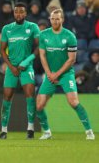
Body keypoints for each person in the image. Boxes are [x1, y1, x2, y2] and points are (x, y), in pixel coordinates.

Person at [36, 9, 95, 140]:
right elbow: (42, 55)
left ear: (62, 19)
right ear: (50, 19)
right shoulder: (44, 35)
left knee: (74, 102)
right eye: (53, 18)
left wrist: (57, 74)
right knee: (39, 105)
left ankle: (89, 131)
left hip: (66, 74)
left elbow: (71, 60)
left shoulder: (69, 36)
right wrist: (49, 74)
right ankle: (47, 132)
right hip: (50, 74)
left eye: (58, 19)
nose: (55, 21)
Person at [0, 2, 40, 140]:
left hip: (26, 67)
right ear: (13, 13)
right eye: (16, 12)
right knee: (7, 98)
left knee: (30, 95)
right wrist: (10, 67)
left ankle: (30, 129)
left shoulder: (32, 27)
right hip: (12, 68)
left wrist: (26, 62)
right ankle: (4, 130)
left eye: (21, 12)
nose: (19, 14)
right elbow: (2, 50)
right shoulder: (7, 29)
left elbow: (39, 47)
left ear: (26, 13)